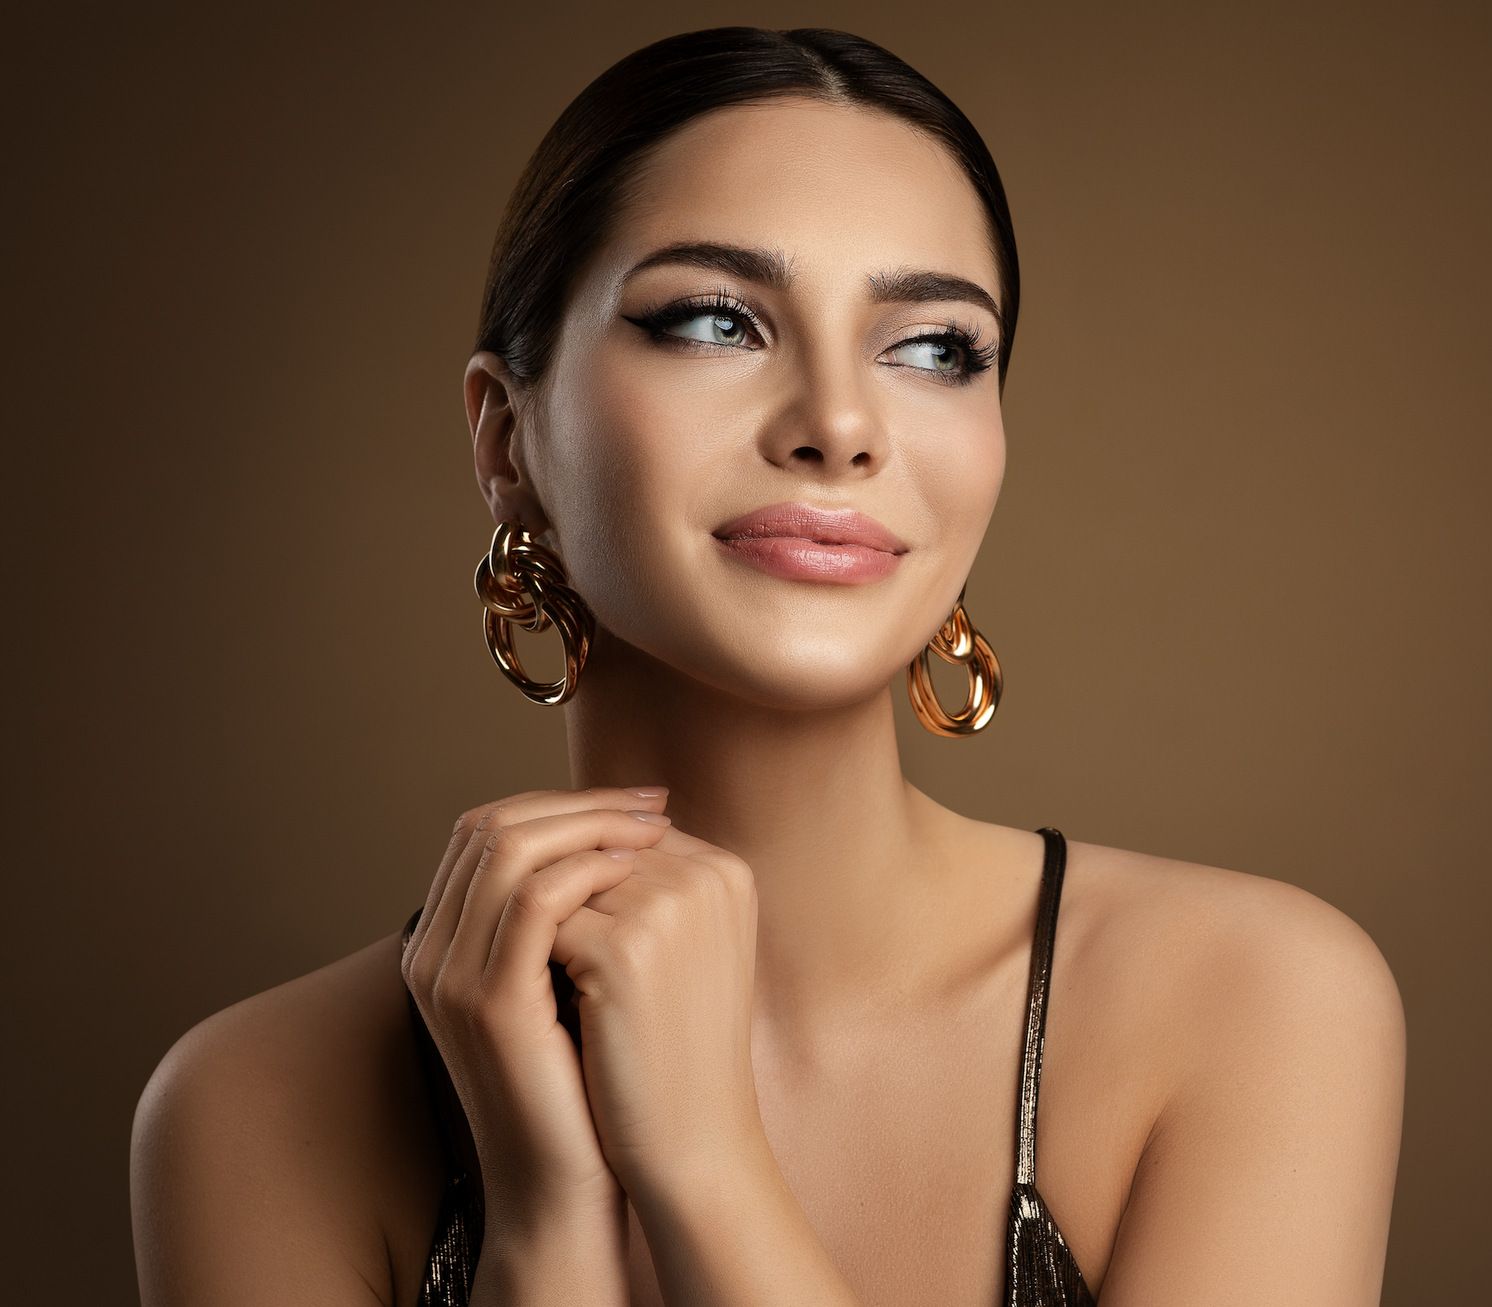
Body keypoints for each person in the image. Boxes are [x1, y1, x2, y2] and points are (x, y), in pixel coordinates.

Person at [130, 27, 1405, 1307]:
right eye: (714, 319)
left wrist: (704, 1167)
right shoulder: (255, 1103)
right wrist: (550, 1226)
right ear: (507, 436)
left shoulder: (1252, 1003)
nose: (842, 427)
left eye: (933, 348)